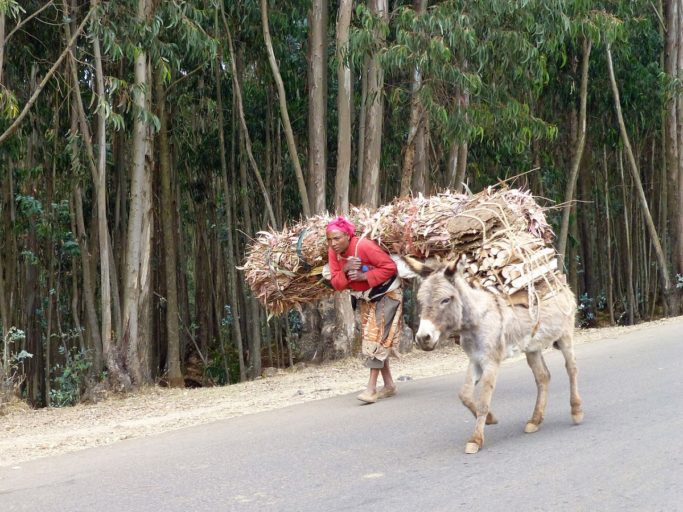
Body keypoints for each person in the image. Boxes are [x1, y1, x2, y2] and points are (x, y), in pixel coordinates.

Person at [326, 216, 403, 404]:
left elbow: (390, 267)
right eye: (329, 239)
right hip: (366, 298)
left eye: (337, 238)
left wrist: (363, 275)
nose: (333, 243)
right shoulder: (333, 253)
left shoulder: (364, 246)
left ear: (347, 235)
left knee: (375, 337)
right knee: (374, 338)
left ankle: (370, 389)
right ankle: (389, 385)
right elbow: (336, 283)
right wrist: (344, 269)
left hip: (387, 293)